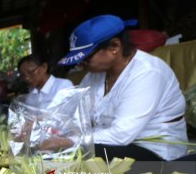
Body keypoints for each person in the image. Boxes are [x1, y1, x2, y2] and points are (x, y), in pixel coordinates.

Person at [58, 14, 188, 161]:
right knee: (64, 154)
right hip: (115, 145)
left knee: (80, 154)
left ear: (114, 47)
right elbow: (73, 112)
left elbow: (121, 135)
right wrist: (48, 127)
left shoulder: (147, 72)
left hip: (155, 152)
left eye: (86, 58)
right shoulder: (94, 75)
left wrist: (70, 141)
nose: (81, 64)